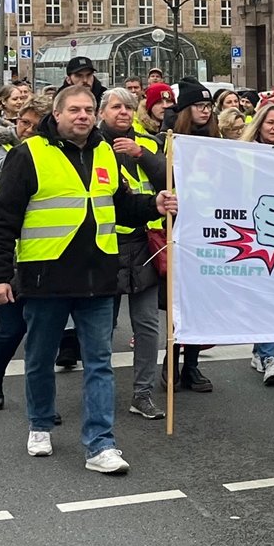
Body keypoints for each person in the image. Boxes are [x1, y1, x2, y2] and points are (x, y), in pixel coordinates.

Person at [0, 82, 177, 473]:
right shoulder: (28, 154)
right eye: (74, 110)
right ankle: (39, 423)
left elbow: (120, 206)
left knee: (99, 362)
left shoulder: (106, 151)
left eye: (88, 109)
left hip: (100, 275)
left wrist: (152, 205)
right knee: (39, 357)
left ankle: (101, 444)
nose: (83, 115)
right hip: (45, 275)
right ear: (57, 115)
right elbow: (4, 221)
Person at [97, 88, 171, 419]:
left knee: (146, 324)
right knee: (102, 325)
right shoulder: (93, 145)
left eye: (128, 107)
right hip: (105, 245)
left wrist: (141, 153)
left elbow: (167, 179)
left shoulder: (148, 142)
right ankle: (98, 389)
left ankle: (142, 393)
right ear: (102, 113)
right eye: (116, 107)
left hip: (144, 243)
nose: (123, 112)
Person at [0, 95, 47, 409]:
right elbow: (5, 168)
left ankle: (41, 400)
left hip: (40, 253)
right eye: (23, 122)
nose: (27, 129)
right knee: (11, 327)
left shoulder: (53, 155)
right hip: (1, 255)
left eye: (35, 125)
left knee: (42, 330)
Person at [231, 101, 274, 388]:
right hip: (248, 234)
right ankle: (267, 354)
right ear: (260, 124)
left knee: (271, 294)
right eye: (270, 122)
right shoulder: (241, 155)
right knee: (261, 294)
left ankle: (265, 353)